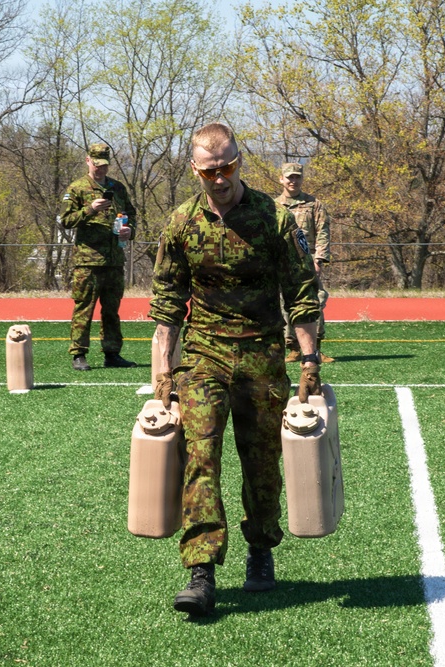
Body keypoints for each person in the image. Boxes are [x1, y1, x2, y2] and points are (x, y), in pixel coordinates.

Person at [150, 123, 322, 617]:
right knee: (200, 454)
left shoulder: (273, 219)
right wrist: (163, 374)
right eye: (210, 170)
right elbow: (166, 305)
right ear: (194, 170)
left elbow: (301, 292)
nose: (220, 178)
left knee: (262, 460)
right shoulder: (181, 223)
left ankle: (261, 549)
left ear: (239, 161)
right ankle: (201, 570)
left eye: (227, 167)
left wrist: (308, 361)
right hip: (204, 355)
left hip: (261, 353)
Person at [58, 142, 137, 371]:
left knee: (111, 309)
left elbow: (131, 214)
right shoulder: (77, 188)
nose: (100, 169)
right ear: (88, 161)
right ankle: (79, 354)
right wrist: (91, 209)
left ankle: (112, 353)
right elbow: (65, 220)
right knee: (85, 307)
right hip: (88, 261)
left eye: (104, 165)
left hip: (113, 260)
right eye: (96, 164)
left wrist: (130, 230)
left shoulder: (118, 188)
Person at [277, 162, 333, 363]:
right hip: (283, 262)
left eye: (297, 177)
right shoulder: (274, 206)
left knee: (315, 301)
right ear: (281, 179)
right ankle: (292, 347)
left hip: (308, 262)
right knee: (285, 303)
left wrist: (319, 259)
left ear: (302, 179)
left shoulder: (314, 204)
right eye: (289, 177)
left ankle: (316, 347)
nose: (293, 180)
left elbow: (323, 232)